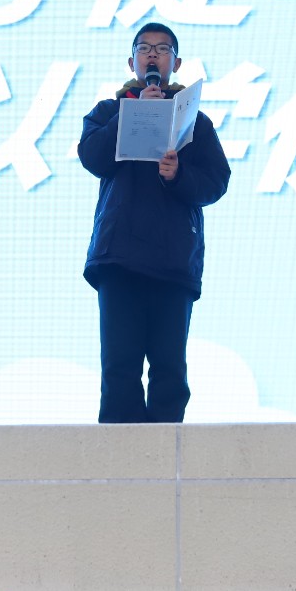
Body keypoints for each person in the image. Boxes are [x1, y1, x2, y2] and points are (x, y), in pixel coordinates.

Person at [77, 23, 230, 423]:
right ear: (132, 62)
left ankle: (168, 456)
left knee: (170, 371)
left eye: (163, 50)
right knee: (119, 368)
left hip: (173, 259)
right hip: (119, 258)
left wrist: (179, 175)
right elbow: (91, 157)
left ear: (175, 63)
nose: (153, 55)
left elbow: (216, 181)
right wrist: (131, 114)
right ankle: (120, 457)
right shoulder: (108, 112)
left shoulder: (194, 120)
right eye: (145, 48)